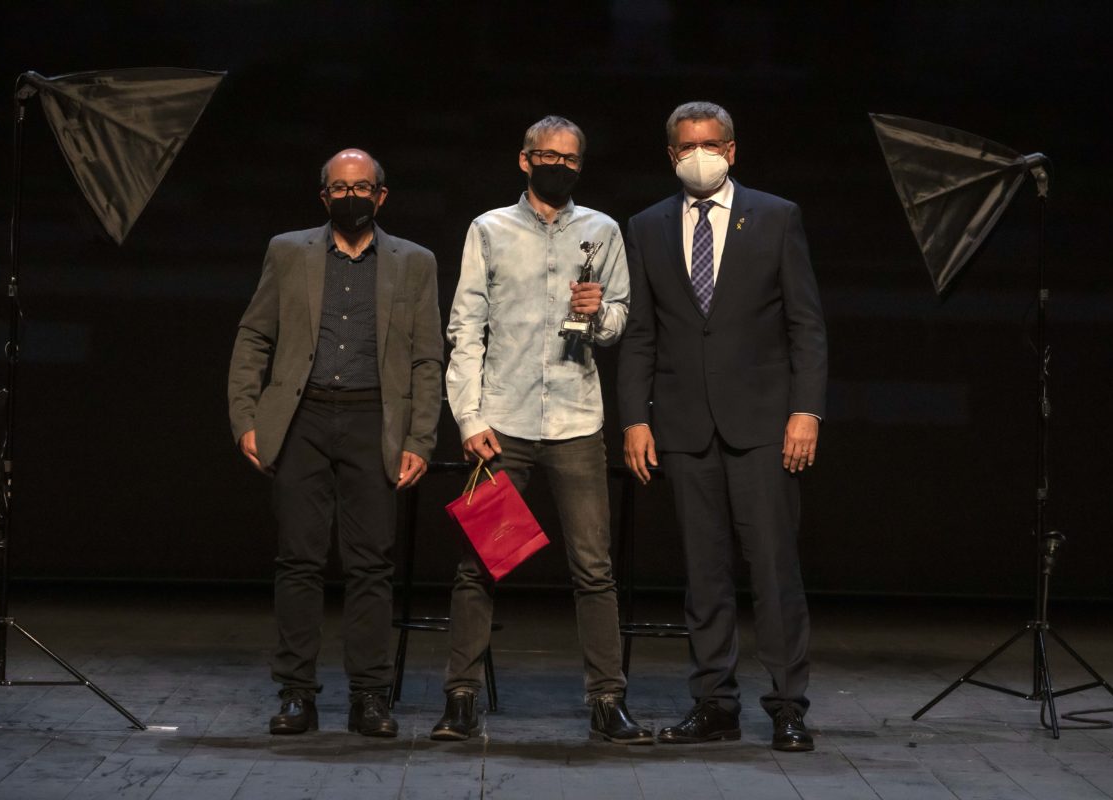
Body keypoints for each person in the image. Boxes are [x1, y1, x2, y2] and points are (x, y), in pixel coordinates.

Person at [617, 102, 827, 751]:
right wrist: (634, 418)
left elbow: (805, 324)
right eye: (686, 145)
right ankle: (714, 704)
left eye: (710, 143)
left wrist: (806, 411)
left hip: (764, 422)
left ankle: (788, 705)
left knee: (772, 570)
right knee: (703, 574)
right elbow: (642, 335)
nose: (698, 153)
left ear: (732, 151)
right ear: (671, 154)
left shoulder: (775, 215)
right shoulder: (647, 226)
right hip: (683, 426)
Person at [438, 115, 652, 745]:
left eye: (569, 157)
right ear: (525, 160)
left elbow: (619, 323)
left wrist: (601, 313)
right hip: (503, 426)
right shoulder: (490, 229)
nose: (557, 164)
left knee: (593, 567)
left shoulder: (602, 231)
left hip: (575, 422)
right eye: (546, 155)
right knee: (482, 564)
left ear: (580, 166)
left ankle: (607, 701)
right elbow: (465, 329)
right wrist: (470, 417)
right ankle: (461, 698)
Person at [227, 148, 443, 737]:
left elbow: (428, 358)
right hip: (302, 419)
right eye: (340, 189)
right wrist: (246, 416)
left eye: (363, 187)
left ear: (382, 195)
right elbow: (254, 335)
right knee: (298, 560)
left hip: (376, 420)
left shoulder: (414, 262)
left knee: (371, 564)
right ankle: (297, 693)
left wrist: (421, 437)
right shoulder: (289, 251)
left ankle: (370, 697)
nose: (352, 197)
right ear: (324, 197)